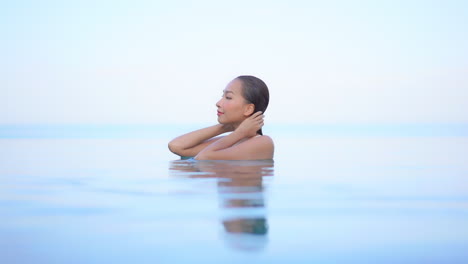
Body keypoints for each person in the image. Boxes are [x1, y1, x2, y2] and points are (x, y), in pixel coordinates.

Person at [168, 75, 274, 160]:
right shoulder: (231, 140)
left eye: (228, 97)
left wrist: (239, 133)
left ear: (248, 109)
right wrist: (225, 127)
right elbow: (176, 146)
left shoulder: (264, 142)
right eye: (222, 96)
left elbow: (202, 158)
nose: (218, 103)